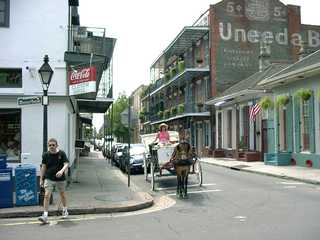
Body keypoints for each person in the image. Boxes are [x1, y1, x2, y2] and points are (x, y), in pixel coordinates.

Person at [38, 138, 69, 224]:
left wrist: (61, 171)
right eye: (50, 145)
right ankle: (45, 216)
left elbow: (66, 164)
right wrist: (41, 179)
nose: (51, 146)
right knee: (47, 195)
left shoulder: (61, 153)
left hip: (60, 178)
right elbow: (43, 167)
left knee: (62, 195)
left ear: (56, 145)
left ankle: (65, 210)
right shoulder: (45, 155)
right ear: (48, 146)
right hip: (49, 178)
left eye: (53, 145)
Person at [170, 130, 194, 198]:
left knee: (185, 178)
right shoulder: (177, 146)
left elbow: (190, 152)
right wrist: (173, 158)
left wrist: (190, 155)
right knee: (179, 178)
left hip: (186, 160)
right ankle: (180, 190)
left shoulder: (188, 145)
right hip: (179, 161)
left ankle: (185, 191)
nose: (183, 137)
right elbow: (175, 152)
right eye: (181, 136)